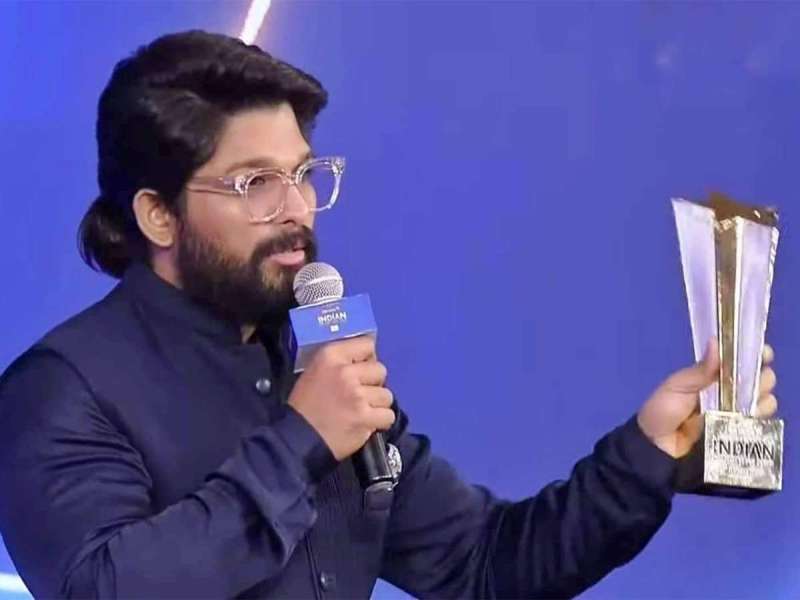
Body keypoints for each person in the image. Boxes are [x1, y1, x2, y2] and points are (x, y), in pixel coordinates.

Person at [0, 31, 779, 599]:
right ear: (157, 215)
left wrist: (650, 450)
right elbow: (101, 588)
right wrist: (301, 442)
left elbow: (487, 564)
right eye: (255, 184)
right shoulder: (62, 390)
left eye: (305, 174)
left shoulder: (316, 364)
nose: (298, 209)